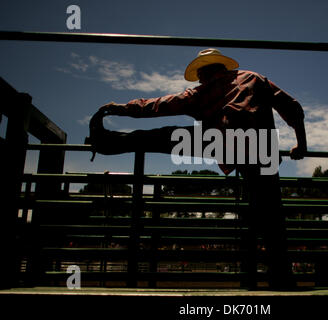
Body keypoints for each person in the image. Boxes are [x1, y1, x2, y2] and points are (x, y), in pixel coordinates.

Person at [90, 48, 307, 290]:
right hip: (261, 151)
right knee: (271, 215)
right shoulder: (254, 78)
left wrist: (120, 108)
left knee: (163, 136)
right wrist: (302, 144)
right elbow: (291, 106)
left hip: (223, 143)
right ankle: (281, 278)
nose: (201, 79)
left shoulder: (200, 93)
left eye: (201, 75)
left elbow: (159, 105)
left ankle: (107, 142)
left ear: (205, 72)